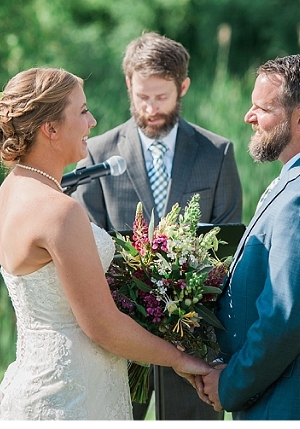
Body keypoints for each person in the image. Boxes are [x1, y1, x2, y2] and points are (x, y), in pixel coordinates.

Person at [0, 67, 212, 420]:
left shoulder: (6, 196)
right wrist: (180, 358)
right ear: (51, 128)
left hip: (34, 380)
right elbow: (103, 327)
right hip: (74, 394)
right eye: (83, 111)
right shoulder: (60, 211)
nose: (94, 122)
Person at [71, 32, 243, 420]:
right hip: (117, 335)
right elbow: (85, 248)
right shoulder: (96, 153)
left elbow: (228, 255)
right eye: (142, 97)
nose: (150, 108)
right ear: (129, 85)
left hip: (195, 334)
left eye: (161, 97)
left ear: (183, 87)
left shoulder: (218, 154)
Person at [196, 54, 300, 420]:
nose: (248, 117)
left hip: (293, 402)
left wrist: (230, 385)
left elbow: (284, 320)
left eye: (262, 108)